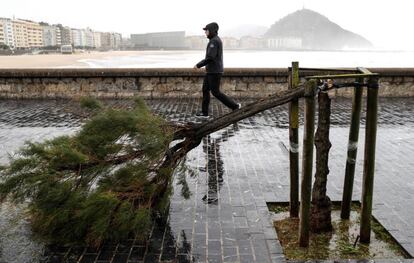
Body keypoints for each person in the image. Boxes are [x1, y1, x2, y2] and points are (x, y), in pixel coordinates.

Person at [193, 22, 240, 118]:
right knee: (205, 90)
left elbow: (210, 57)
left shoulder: (214, 41)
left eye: (206, 30)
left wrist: (198, 65)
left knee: (216, 92)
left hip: (214, 71)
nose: (205, 32)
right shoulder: (214, 40)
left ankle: (235, 106)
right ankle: (204, 112)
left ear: (212, 31)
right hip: (211, 71)